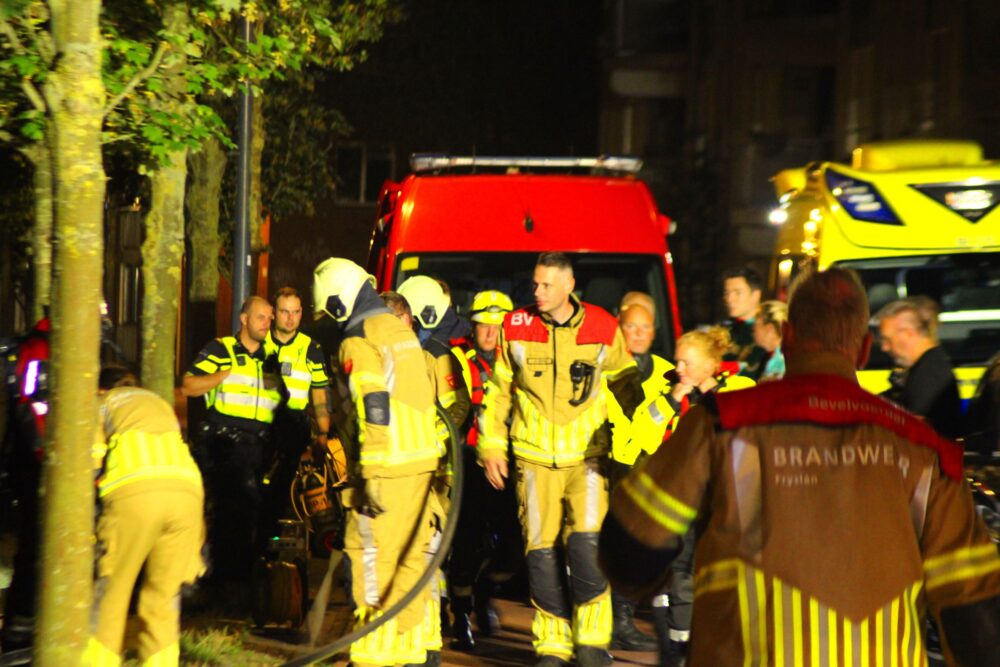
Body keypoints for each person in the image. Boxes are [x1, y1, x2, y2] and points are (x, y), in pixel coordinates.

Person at [600, 267, 1000, 666]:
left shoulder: (720, 425)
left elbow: (629, 549)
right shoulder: (924, 449)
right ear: (862, 349)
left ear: (788, 338)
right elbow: (975, 615)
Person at [478, 252, 643, 667]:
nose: (537, 292)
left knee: (588, 550)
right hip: (532, 461)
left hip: (588, 461)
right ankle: (552, 645)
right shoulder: (515, 326)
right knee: (541, 555)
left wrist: (645, 439)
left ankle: (591, 642)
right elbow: (499, 391)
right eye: (535, 284)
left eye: (546, 285)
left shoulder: (604, 327)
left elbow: (627, 386)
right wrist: (491, 445)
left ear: (569, 285)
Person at [312, 258, 441, 667]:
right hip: (421, 465)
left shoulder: (359, 338)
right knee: (409, 560)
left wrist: (369, 469)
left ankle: (372, 657)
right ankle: (410, 652)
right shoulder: (400, 333)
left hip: (387, 466)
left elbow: (374, 401)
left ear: (336, 302)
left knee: (369, 557)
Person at [84, 366, 204, 667]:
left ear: (101, 388)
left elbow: (92, 462)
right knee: (163, 600)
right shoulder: (157, 403)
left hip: (134, 491)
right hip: (187, 495)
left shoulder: (102, 403)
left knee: (112, 593)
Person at [657, 326, 755, 665]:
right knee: (682, 577)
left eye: (686, 363)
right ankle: (680, 653)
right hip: (684, 500)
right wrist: (671, 399)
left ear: (711, 365)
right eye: (677, 362)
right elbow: (640, 440)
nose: (678, 369)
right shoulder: (667, 393)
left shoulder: (741, 388)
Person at [181, 295, 284, 597]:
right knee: (233, 512)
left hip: (262, 447)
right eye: (261, 317)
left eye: (269, 318)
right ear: (244, 319)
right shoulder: (221, 349)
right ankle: (225, 583)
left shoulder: (272, 356)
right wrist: (224, 374)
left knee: (258, 514)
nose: (268, 323)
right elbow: (189, 385)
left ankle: (241, 580)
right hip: (226, 444)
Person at [447, 289, 519, 651]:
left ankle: (485, 593)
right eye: (484, 326)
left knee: (514, 544)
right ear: (472, 326)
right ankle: (460, 614)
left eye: (498, 326)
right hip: (467, 462)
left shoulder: (520, 360)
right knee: (466, 544)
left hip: (510, 461)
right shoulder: (456, 357)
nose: (491, 333)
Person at [262, 286, 331, 540]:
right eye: (284, 312)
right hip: (261, 426)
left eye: (296, 312)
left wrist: (322, 435)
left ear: (302, 313)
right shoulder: (260, 342)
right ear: (273, 313)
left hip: (294, 428)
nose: (290, 318)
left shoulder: (310, 348)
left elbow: (320, 395)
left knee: (289, 492)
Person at [0, 316, 49, 658]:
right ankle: (20, 630)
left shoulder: (42, 346)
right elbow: (32, 405)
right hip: (36, 461)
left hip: (36, 458)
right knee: (34, 543)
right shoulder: (40, 349)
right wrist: (43, 454)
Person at [876, 296, 963, 439]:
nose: (884, 347)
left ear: (907, 334)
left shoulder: (930, 373)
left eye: (887, 339)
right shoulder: (926, 366)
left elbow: (913, 427)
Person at [396, 275, 471, 430]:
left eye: (402, 315)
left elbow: (458, 407)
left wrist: (435, 443)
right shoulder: (416, 345)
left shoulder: (436, 352)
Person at [720, 267, 767, 380]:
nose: (729, 299)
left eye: (737, 293)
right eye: (727, 293)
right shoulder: (725, 330)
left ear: (756, 295)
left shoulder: (769, 332)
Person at [752, 300, 787, 381]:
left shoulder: (781, 362)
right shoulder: (766, 356)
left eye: (756, 324)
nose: (753, 328)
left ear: (769, 329)